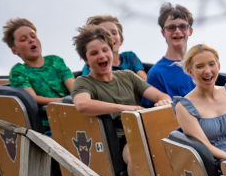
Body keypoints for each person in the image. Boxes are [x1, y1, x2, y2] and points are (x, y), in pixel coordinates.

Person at [70, 25, 171, 166]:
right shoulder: (83, 82)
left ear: (112, 51)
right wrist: (124, 108)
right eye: (94, 53)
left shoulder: (127, 76)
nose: (101, 56)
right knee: (138, 154)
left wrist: (163, 102)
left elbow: (162, 96)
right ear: (85, 59)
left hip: (144, 132)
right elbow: (82, 105)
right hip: (118, 140)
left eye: (105, 50)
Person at [175, 44, 226, 159]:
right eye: (200, 66)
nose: (207, 71)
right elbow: (204, 146)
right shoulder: (183, 107)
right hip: (219, 163)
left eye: (211, 64)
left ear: (218, 66)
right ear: (189, 71)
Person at [2, 18, 75, 129]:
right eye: (23, 39)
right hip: (50, 125)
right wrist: (62, 101)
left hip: (74, 114)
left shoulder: (55, 61)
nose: (31, 40)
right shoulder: (18, 71)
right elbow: (33, 98)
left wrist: (78, 97)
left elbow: (72, 85)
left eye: (33, 36)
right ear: (15, 50)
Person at [146, 3, 196, 99]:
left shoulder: (201, 64)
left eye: (182, 26)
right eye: (171, 28)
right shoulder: (157, 73)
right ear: (163, 32)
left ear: (190, 31)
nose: (177, 31)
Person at [81, 15, 145, 78]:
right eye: (104, 34)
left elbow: (144, 81)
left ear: (121, 40)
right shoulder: (91, 66)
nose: (110, 37)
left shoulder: (129, 57)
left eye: (114, 33)